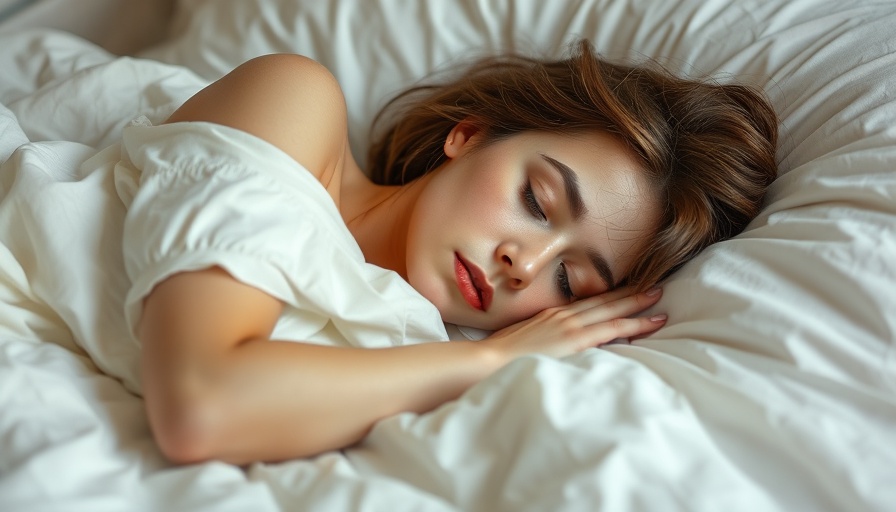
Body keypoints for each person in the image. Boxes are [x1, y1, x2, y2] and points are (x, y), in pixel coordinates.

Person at [132, 40, 778, 465]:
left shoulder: (421, 347)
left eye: (568, 276)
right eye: (536, 200)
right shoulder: (296, 102)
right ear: (468, 135)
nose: (522, 265)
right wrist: (493, 358)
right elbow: (201, 405)